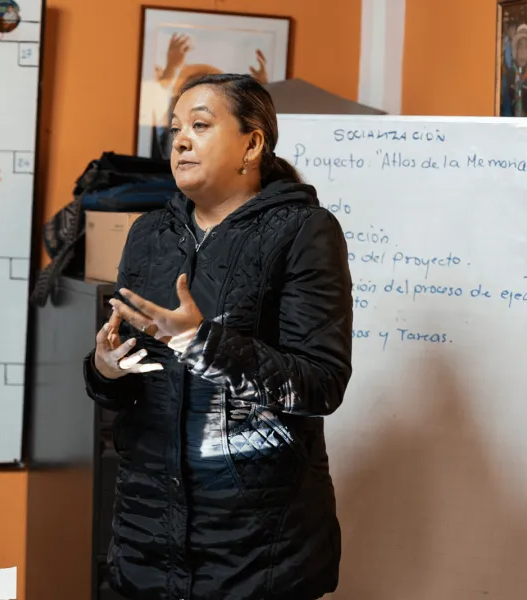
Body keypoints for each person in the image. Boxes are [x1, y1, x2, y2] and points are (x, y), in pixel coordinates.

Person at [84, 73, 353, 600]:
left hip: (258, 551)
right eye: (175, 129)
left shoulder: (304, 230)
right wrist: (105, 368)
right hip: (146, 535)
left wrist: (201, 342)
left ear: (252, 144)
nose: (180, 141)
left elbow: (321, 384)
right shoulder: (148, 235)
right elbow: (126, 386)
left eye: (200, 125)